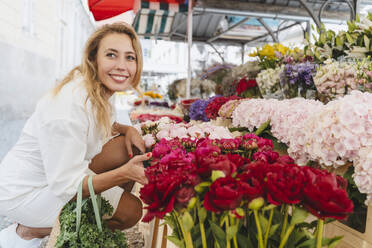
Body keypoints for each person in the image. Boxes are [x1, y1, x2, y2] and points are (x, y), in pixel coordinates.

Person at [0, 22, 149, 248]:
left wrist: (128, 129)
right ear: (93, 58)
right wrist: (122, 174)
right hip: (26, 193)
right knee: (130, 211)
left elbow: (106, 123)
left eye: (130, 57)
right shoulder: (68, 107)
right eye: (111, 55)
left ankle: (89, 211)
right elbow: (68, 187)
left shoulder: (96, 91)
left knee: (129, 148)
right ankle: (33, 229)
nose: (122, 65)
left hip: (55, 175)